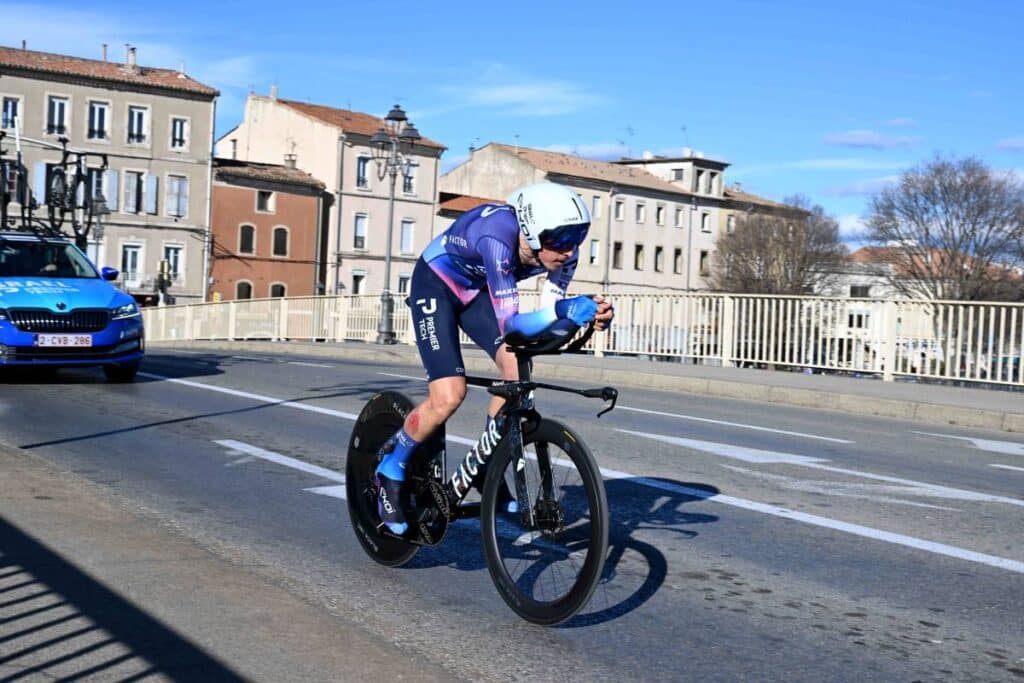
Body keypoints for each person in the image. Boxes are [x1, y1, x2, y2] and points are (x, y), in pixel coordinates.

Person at [374, 181, 615, 534]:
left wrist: (589, 317)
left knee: (516, 374)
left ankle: (485, 465)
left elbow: (545, 322)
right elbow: (513, 324)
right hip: (436, 284)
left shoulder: (565, 254)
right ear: (532, 233)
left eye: (577, 238)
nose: (568, 250)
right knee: (449, 395)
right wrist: (565, 309)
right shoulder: (497, 237)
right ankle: (391, 468)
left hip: (477, 293)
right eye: (560, 240)